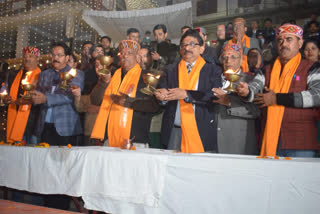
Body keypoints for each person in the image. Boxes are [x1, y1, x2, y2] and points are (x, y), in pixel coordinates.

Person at [240, 24, 320, 158]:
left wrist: (276, 99)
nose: (284, 44)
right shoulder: (267, 69)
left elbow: (316, 96)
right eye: (280, 40)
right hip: (273, 140)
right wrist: (246, 92)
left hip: (301, 143)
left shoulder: (312, 67)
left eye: (289, 39)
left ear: (300, 43)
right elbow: (255, 88)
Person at [154, 29, 222, 153]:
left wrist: (187, 95)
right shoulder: (170, 69)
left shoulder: (212, 69)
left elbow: (213, 95)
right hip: (174, 131)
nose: (187, 48)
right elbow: (162, 89)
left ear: (202, 48)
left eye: (192, 44)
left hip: (200, 130)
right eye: (184, 45)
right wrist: (161, 96)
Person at [90, 40, 159, 148]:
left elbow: (154, 106)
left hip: (135, 140)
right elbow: (95, 100)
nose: (125, 55)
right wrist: (104, 82)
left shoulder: (147, 77)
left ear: (137, 57)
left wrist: (129, 102)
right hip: (110, 139)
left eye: (129, 53)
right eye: (122, 53)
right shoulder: (112, 75)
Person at [212, 43, 260, 155]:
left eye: (233, 57)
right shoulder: (213, 78)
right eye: (225, 57)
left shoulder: (251, 80)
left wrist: (229, 102)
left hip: (239, 145)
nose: (228, 61)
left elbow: (257, 111)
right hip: (213, 144)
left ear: (241, 60)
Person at [6, 46, 41, 144]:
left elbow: (42, 99)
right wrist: (6, 98)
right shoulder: (13, 75)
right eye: (25, 56)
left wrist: (24, 101)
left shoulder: (42, 75)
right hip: (14, 119)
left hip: (33, 123)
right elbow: (7, 93)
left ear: (37, 58)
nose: (27, 58)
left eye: (31, 56)